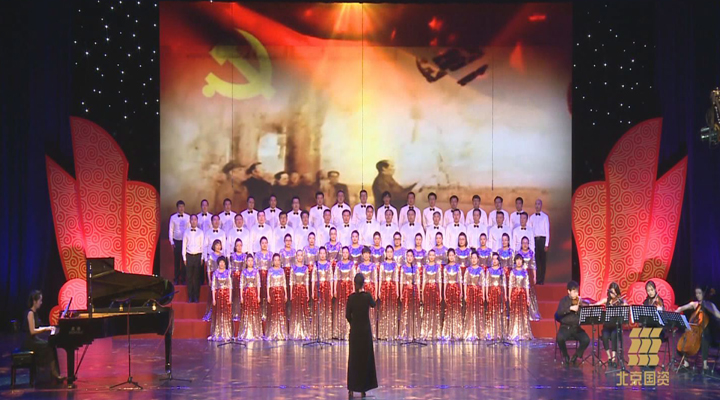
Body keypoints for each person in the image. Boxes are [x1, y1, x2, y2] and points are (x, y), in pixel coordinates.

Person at [346, 273, 378, 398]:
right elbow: (373, 304)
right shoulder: (367, 296)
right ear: (363, 284)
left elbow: (348, 315)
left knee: (354, 359)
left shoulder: (351, 298)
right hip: (365, 332)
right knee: (365, 359)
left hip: (355, 332)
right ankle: (363, 388)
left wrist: (353, 324)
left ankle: (351, 388)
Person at [676, 286, 720, 371]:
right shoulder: (694, 304)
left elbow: (718, 314)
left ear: (704, 293)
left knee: (705, 336)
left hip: (707, 329)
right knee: (685, 340)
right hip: (694, 329)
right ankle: (686, 362)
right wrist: (676, 311)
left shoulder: (709, 304)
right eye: (696, 293)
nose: (698, 295)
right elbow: (681, 308)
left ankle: (705, 364)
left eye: (699, 293)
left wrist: (708, 307)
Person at [22, 290, 63, 382]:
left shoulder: (34, 313)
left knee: (50, 344)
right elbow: (32, 331)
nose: (41, 302)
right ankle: (53, 372)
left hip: (33, 339)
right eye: (40, 300)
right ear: (34, 301)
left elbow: (37, 327)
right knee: (48, 345)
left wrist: (48, 328)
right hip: (29, 341)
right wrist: (46, 329)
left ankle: (54, 372)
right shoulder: (30, 313)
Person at [555, 281, 591, 366]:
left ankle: (576, 355)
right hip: (565, 327)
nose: (576, 294)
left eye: (577, 292)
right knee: (560, 338)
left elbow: (584, 314)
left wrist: (582, 306)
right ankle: (565, 355)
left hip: (576, 328)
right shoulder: (563, 301)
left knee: (586, 339)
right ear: (569, 291)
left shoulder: (579, 301)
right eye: (574, 292)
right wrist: (570, 308)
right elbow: (559, 312)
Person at [592, 282, 627, 367]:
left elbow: (626, 307)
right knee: (604, 336)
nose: (613, 294)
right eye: (611, 292)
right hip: (607, 326)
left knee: (614, 335)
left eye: (614, 292)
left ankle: (614, 359)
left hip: (616, 326)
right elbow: (595, 305)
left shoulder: (620, 301)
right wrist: (589, 304)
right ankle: (609, 358)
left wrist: (624, 304)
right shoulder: (606, 300)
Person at [507, 254, 533, 341]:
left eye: (520, 260)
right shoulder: (512, 272)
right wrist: (509, 296)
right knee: (514, 313)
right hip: (514, 294)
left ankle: (524, 333)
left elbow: (527, 285)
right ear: (515, 261)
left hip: (523, 294)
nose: (518, 261)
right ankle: (514, 333)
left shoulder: (525, 272)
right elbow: (510, 284)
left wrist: (528, 298)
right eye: (517, 260)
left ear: (522, 261)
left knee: (523, 313)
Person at [209, 256, 233, 342]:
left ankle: (227, 333)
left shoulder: (228, 273)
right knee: (218, 313)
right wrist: (213, 299)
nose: (222, 264)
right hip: (218, 295)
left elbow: (230, 286)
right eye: (220, 262)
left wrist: (230, 297)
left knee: (226, 314)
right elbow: (213, 286)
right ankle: (217, 333)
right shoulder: (215, 273)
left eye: (223, 262)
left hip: (226, 295)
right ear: (218, 263)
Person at [334, 247, 356, 340]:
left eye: (347, 252)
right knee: (340, 308)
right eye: (344, 252)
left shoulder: (352, 264)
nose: (345, 254)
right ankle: (340, 332)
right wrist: (334, 289)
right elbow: (335, 277)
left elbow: (354, 277)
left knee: (349, 308)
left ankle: (349, 331)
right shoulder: (338, 264)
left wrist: (354, 289)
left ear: (349, 253)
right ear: (342, 253)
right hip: (340, 287)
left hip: (349, 288)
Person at [463, 252, 486, 341]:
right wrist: (465, 294)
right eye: (472, 258)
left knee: (478, 311)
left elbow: (483, 283)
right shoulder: (468, 270)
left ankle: (479, 333)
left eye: (475, 258)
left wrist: (483, 295)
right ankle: (470, 332)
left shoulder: (481, 270)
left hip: (478, 292)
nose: (473, 259)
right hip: (470, 292)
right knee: (470, 311)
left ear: (478, 259)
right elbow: (465, 283)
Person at [399, 250, 421, 340]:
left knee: (414, 311)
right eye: (408, 256)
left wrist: (419, 293)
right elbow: (401, 281)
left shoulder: (415, 268)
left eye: (411, 256)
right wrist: (400, 293)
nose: (409, 258)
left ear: (413, 257)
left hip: (414, 291)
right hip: (406, 291)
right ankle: (404, 333)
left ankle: (415, 333)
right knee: (405, 310)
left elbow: (418, 281)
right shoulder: (403, 268)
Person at [378, 246, 399, 341]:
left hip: (393, 288)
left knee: (392, 309)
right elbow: (380, 278)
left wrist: (397, 290)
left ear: (393, 253)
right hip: (384, 288)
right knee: (384, 309)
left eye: (391, 252)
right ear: (385, 253)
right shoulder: (382, 265)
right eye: (388, 252)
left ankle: (392, 333)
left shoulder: (395, 265)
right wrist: (379, 290)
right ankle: (383, 333)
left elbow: (397, 279)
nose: (389, 254)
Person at [289, 250, 311, 340]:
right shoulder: (293, 268)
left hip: (303, 290)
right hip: (295, 290)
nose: (300, 257)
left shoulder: (305, 268)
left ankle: (304, 331)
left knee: (303, 310)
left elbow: (306, 281)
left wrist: (308, 293)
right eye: (298, 255)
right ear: (296, 256)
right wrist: (291, 293)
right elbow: (291, 281)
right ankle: (295, 332)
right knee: (295, 310)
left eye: (301, 255)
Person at [518, 238, 541, 321]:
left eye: (526, 243)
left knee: (530, 293)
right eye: (523, 243)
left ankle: (532, 312)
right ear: (521, 244)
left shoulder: (531, 253)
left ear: (528, 244)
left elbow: (533, 265)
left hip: (529, 274)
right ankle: (521, 313)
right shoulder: (518, 253)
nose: (525, 244)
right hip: (520, 275)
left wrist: (534, 276)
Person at [357, 247, 378, 340]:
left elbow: (375, 280)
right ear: (362, 255)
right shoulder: (359, 267)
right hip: (362, 290)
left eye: (367, 253)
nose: (366, 255)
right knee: (361, 311)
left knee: (371, 312)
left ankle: (371, 333)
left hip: (371, 289)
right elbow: (357, 280)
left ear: (370, 255)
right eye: (364, 253)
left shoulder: (373, 266)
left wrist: (376, 292)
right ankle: (361, 333)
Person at [182, 215, 204, 303]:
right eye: (192, 220)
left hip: (198, 256)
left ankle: (196, 296)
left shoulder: (201, 232)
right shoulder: (186, 232)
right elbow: (184, 245)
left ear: (197, 221)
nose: (194, 221)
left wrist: (202, 257)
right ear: (190, 221)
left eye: (195, 220)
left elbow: (202, 246)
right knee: (189, 277)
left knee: (197, 277)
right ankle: (190, 296)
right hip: (189, 256)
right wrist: (184, 258)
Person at [442, 249, 463, 341]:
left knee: (456, 309)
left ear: (455, 256)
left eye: (452, 255)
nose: (451, 257)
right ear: (448, 256)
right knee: (448, 310)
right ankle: (448, 332)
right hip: (448, 289)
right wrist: (444, 293)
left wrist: (461, 291)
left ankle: (457, 332)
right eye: (449, 255)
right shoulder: (445, 267)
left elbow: (460, 280)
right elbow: (445, 281)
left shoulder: (458, 267)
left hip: (456, 289)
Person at [421, 250, 441, 340]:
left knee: (435, 310)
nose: (432, 257)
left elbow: (439, 280)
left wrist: (440, 293)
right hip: (427, 289)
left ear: (435, 256)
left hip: (435, 289)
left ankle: (435, 333)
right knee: (427, 310)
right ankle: (426, 332)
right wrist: (422, 293)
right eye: (430, 255)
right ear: (428, 256)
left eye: (433, 255)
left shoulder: (438, 267)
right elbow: (424, 280)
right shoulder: (425, 267)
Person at [529, 199, 550, 285]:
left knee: (542, 261)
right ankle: (536, 279)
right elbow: (530, 231)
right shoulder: (531, 217)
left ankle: (542, 279)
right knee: (536, 260)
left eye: (538, 204)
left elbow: (547, 230)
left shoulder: (545, 217)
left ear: (541, 205)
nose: (537, 205)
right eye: (536, 204)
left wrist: (546, 244)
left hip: (542, 239)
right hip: (534, 240)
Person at [486, 253, 507, 340]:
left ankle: (500, 332)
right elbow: (487, 283)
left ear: (499, 261)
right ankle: (491, 332)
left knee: (499, 311)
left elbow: (504, 283)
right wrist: (486, 294)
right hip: (491, 292)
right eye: (493, 259)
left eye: (496, 259)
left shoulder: (501, 271)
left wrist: (505, 294)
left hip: (499, 293)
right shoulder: (489, 270)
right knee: (491, 311)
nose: (494, 261)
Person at [169, 200, 190, 285]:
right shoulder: (173, 217)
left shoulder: (188, 217)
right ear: (177, 208)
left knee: (184, 260)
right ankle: (176, 278)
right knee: (177, 261)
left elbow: (189, 229)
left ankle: (184, 278)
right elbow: (171, 230)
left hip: (185, 241)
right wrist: (171, 242)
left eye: (182, 207)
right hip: (176, 241)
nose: (181, 208)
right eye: (180, 207)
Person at [204, 240, 225, 321]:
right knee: (213, 296)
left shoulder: (222, 255)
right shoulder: (211, 256)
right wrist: (209, 279)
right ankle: (211, 313)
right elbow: (209, 269)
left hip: (222, 277)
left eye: (219, 245)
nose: (218, 247)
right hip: (213, 277)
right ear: (213, 246)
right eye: (216, 245)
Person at [255, 237, 273, 321]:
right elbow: (255, 267)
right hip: (259, 277)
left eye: (266, 243)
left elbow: (273, 266)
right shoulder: (257, 254)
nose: (264, 245)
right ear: (260, 244)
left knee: (268, 294)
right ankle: (260, 314)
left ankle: (268, 314)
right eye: (262, 243)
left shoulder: (271, 254)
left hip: (268, 276)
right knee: (260, 294)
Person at [229, 239, 247, 321]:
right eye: (237, 245)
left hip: (242, 277)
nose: (239, 247)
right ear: (235, 247)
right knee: (234, 295)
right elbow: (230, 267)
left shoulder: (245, 256)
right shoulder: (232, 256)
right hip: (234, 277)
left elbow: (246, 268)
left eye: (240, 245)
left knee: (241, 295)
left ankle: (241, 313)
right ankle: (234, 313)